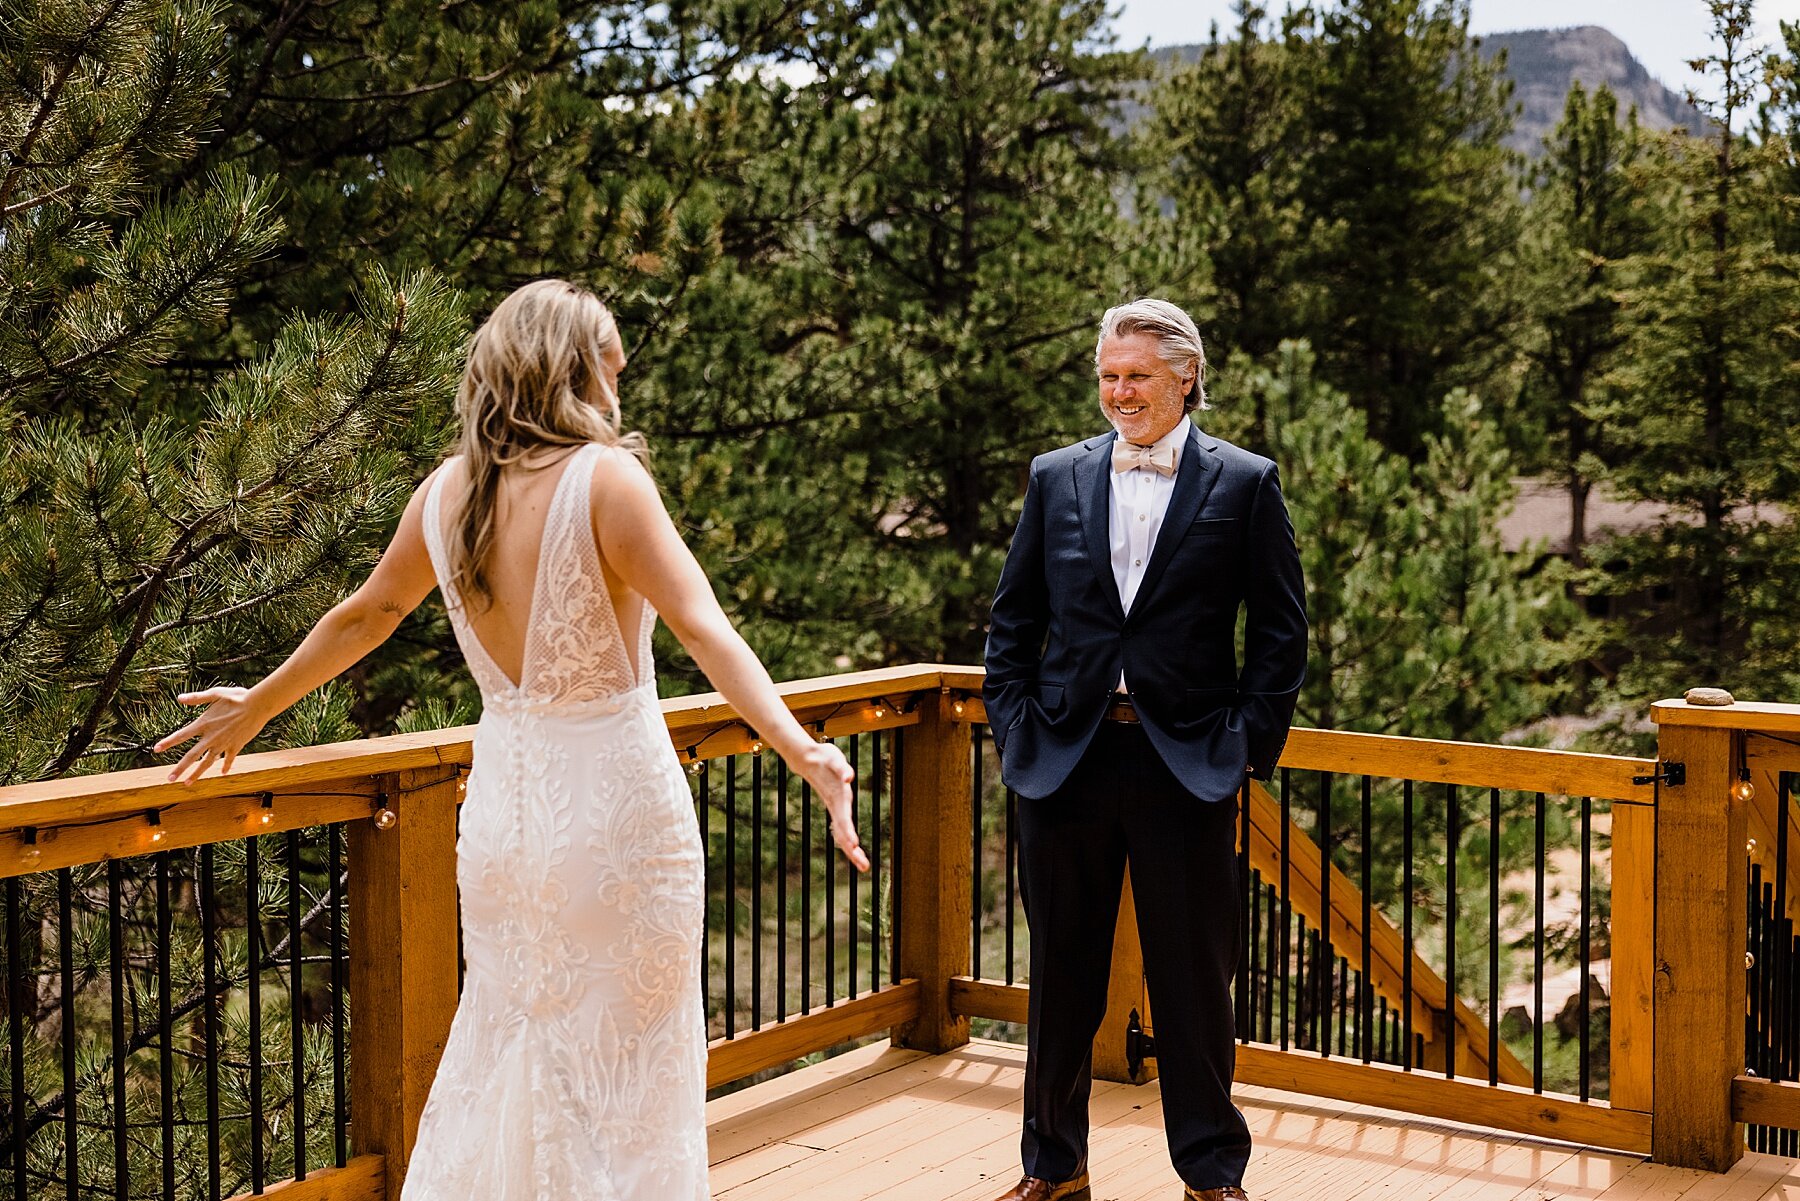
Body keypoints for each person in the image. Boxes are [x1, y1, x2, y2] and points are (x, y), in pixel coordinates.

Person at [156, 279, 869, 1201]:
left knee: (512, 1037)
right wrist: (802, 749)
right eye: (611, 366)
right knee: (628, 1066)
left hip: (502, 818)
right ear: (573, 369)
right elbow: (704, 627)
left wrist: (260, 703)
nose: (621, 386)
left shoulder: (446, 494)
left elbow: (367, 613)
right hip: (616, 814)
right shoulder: (608, 481)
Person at [981, 298, 1306, 1201]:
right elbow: (1014, 620)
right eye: (1109, 376)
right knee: (1061, 978)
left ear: (1186, 377)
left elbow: (1281, 633)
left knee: (1194, 979)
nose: (1120, 393)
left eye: (1139, 377)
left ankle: (1212, 1174)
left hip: (1187, 764)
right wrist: (1014, 726)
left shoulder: (1244, 482)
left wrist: (1245, 745)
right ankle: (1053, 1168)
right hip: (1063, 762)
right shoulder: (1055, 475)